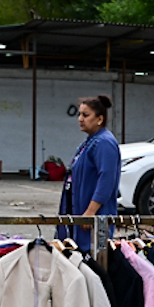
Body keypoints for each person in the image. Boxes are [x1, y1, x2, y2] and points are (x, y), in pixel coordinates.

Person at [56, 95, 119, 250]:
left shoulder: (104, 143)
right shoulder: (90, 141)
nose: (80, 119)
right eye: (79, 114)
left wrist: (90, 212)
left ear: (99, 119)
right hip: (78, 212)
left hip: (93, 218)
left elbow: (107, 180)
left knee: (93, 257)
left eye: (85, 115)